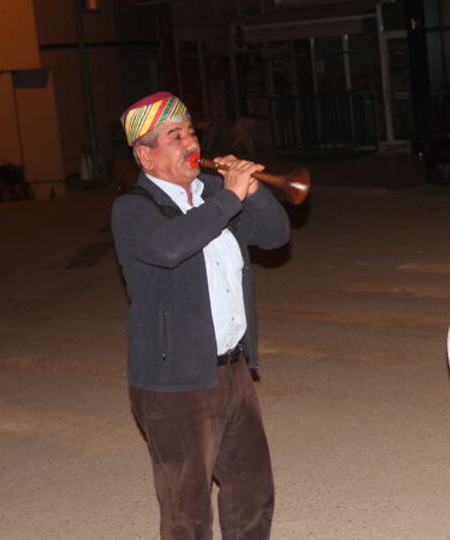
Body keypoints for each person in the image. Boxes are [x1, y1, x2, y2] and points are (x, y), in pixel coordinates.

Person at [111, 91, 290, 539]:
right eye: (175, 136)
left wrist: (253, 187)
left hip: (233, 372)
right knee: (187, 512)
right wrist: (229, 198)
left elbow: (274, 234)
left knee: (253, 493)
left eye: (190, 131)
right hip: (174, 385)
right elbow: (172, 247)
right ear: (146, 155)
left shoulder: (213, 195)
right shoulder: (133, 209)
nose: (190, 141)